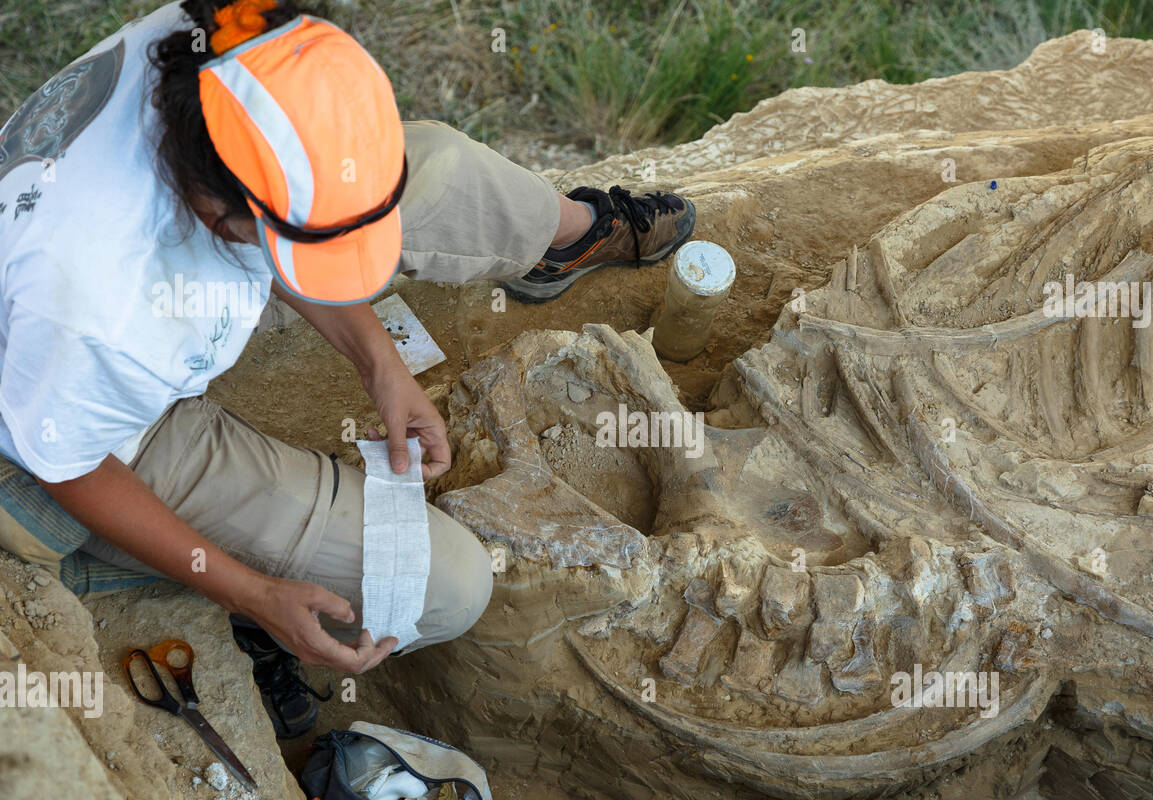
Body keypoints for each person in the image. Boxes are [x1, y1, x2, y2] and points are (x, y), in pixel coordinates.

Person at [0, 0, 696, 736]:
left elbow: (294, 213)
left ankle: (571, 237)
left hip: (160, 288)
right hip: (96, 438)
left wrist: (382, 364)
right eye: (304, 251)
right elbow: (70, 465)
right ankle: (182, 596)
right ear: (215, 216)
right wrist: (250, 592)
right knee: (448, 587)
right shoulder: (97, 307)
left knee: (437, 167)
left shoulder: (238, 35)